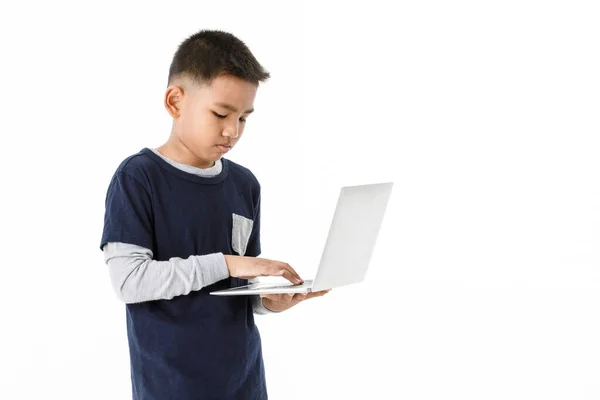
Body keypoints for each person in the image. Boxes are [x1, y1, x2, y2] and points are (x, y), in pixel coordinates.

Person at [99, 29, 331, 400]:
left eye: (243, 118)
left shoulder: (244, 184)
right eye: (221, 113)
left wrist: (269, 301)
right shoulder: (138, 178)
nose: (232, 131)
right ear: (175, 102)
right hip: (172, 387)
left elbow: (239, 285)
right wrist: (227, 263)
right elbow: (130, 282)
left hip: (245, 383)